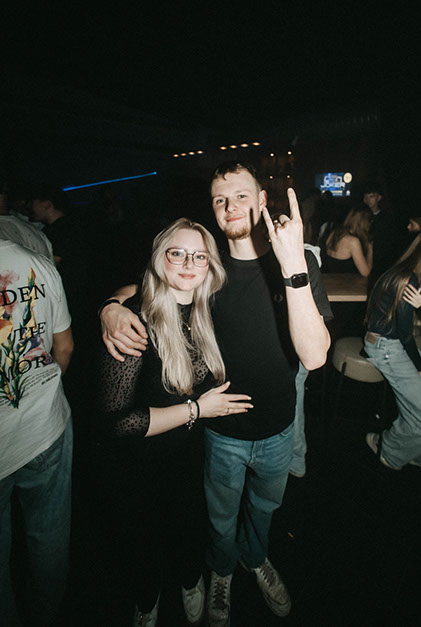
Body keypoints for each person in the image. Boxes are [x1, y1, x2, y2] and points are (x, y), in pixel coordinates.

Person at [99, 162, 332, 624]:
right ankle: (221, 570)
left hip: (279, 426)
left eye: (242, 195)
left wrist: (292, 268)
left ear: (262, 200)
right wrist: (110, 306)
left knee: (264, 508)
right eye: (220, 199)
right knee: (219, 515)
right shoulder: (209, 267)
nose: (230, 207)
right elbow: (154, 282)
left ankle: (256, 557)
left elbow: (315, 356)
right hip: (221, 431)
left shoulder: (296, 262)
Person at [97, 217, 252, 627]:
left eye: (199, 256)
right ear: (158, 257)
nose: (188, 263)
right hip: (139, 462)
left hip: (189, 453)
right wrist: (198, 410)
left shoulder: (208, 306)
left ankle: (189, 579)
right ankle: (147, 601)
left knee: (188, 525)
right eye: (177, 253)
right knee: (142, 537)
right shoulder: (135, 321)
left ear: (210, 265)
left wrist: (108, 302)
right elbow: (116, 423)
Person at [0, 238, 73, 626]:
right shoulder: (38, 265)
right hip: (46, 426)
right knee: (49, 535)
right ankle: (48, 616)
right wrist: (41, 388)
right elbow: (65, 347)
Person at [364, 234, 421, 470]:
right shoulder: (408, 280)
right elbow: (405, 334)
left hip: (390, 342)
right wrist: (419, 367)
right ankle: (388, 447)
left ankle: (410, 447)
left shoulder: (407, 272)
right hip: (385, 346)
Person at [321, 205, 373, 276]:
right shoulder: (353, 241)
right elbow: (366, 273)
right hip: (344, 282)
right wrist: (370, 249)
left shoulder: (334, 233)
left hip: (330, 279)